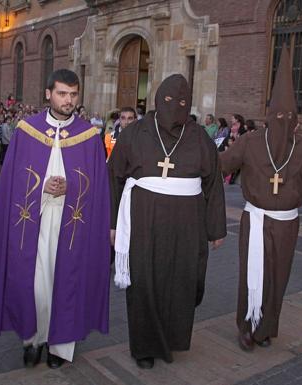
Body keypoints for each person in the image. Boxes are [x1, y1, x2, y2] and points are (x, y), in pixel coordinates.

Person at [0, 69, 111, 369]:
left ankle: (60, 347)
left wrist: (71, 187)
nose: (68, 100)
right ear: (48, 94)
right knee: (36, 283)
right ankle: (33, 339)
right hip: (33, 220)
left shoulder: (89, 136)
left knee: (67, 282)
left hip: (72, 222)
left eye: (73, 94)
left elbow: (99, 186)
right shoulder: (27, 131)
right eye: (63, 93)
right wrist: (41, 188)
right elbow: (12, 181)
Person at [108, 74, 226, 369]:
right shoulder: (134, 133)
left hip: (188, 224)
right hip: (143, 220)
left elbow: (213, 185)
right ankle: (145, 348)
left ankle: (172, 338)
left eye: (183, 102)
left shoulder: (199, 138)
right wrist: (112, 224)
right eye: (170, 100)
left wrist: (216, 229)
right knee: (145, 280)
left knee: (183, 280)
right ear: (158, 99)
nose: (176, 107)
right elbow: (113, 179)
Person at [220, 48, 302, 351]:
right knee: (253, 273)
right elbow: (220, 165)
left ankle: (267, 327)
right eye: (277, 115)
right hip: (256, 220)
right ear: (267, 116)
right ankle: (247, 325)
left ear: (296, 120)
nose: (282, 121)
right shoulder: (250, 141)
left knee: (278, 277)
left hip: (287, 224)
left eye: (288, 116)